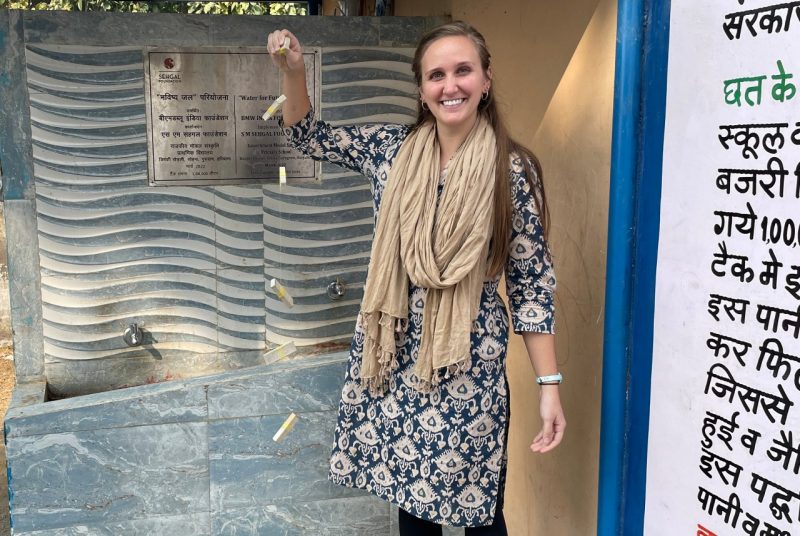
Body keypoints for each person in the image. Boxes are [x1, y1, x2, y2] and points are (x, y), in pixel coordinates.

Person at [267, 20, 565, 535]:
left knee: (482, 513)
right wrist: (294, 71)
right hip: (398, 353)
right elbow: (307, 135)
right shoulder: (391, 150)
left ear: (486, 80)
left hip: (469, 364)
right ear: (422, 89)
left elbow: (531, 285)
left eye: (463, 71)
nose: (450, 85)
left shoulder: (510, 170)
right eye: (436, 75)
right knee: (412, 505)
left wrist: (549, 385)